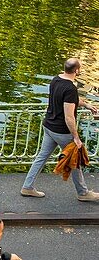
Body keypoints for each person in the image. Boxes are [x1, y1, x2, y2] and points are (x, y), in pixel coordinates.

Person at [21, 57, 99, 200]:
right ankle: (83, 193)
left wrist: (86, 104)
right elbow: (69, 117)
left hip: (49, 126)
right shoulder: (70, 88)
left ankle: (27, 186)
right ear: (76, 70)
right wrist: (76, 137)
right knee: (74, 159)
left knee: (41, 157)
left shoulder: (56, 80)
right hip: (61, 131)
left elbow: (69, 100)